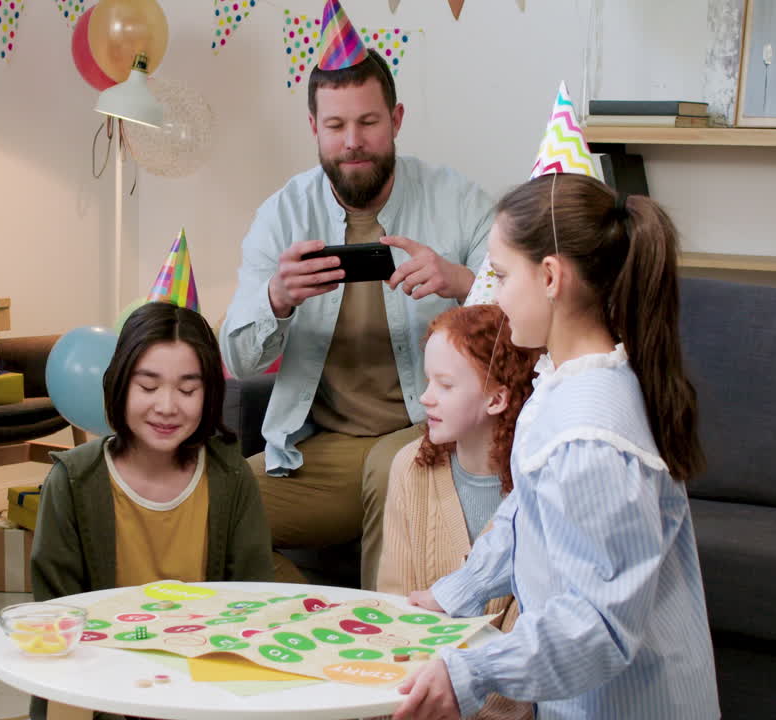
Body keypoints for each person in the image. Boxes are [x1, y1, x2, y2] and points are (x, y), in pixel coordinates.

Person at [394, 174, 720, 720]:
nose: (493, 296)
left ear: (550, 277)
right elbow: (529, 511)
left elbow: (599, 624)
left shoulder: (589, 436)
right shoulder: (564, 382)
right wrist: (460, 592)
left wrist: (474, 670)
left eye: (500, 275)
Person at [219, 0, 496, 589]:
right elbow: (239, 360)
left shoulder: (459, 201)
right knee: (212, 510)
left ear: (396, 119)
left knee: (389, 468)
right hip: (320, 450)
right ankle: (307, 627)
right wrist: (275, 297)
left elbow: (526, 329)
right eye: (336, 126)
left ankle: (382, 661)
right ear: (313, 129)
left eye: (368, 123)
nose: (353, 143)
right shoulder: (283, 213)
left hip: (428, 432)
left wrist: (463, 283)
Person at [30, 302, 275, 718]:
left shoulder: (230, 475)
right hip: (99, 690)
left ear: (209, 393)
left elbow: (252, 604)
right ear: (120, 385)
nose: (166, 406)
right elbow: (57, 623)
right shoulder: (72, 481)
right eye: (148, 387)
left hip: (203, 694)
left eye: (187, 389)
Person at [378, 304, 537, 720]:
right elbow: (394, 612)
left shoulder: (537, 488)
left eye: (445, 385)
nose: (425, 397)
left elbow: (526, 666)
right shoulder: (410, 469)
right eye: (427, 380)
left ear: (496, 398)